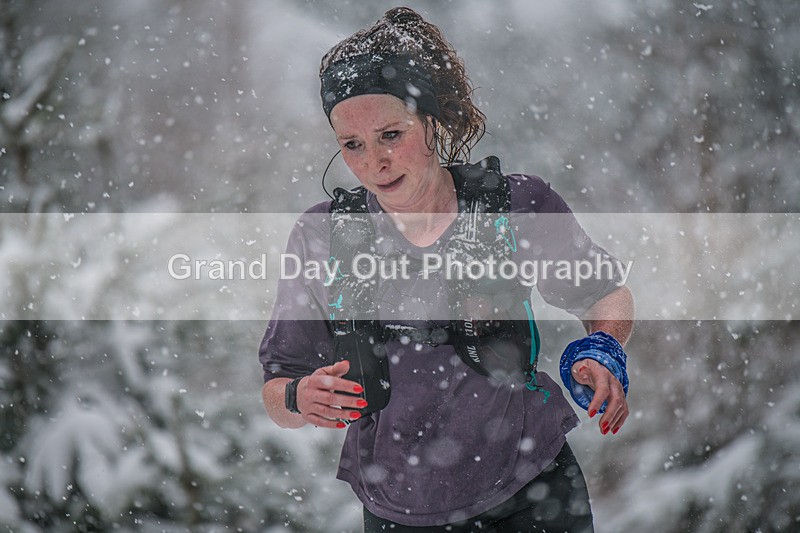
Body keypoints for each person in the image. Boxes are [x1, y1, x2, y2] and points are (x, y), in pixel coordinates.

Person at [259, 7, 634, 532]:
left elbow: (604, 293)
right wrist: (301, 397)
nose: (375, 161)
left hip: (531, 493)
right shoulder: (321, 237)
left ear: (431, 123)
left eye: (391, 134)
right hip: (395, 510)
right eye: (352, 144)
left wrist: (602, 346)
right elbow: (278, 389)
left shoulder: (514, 205)